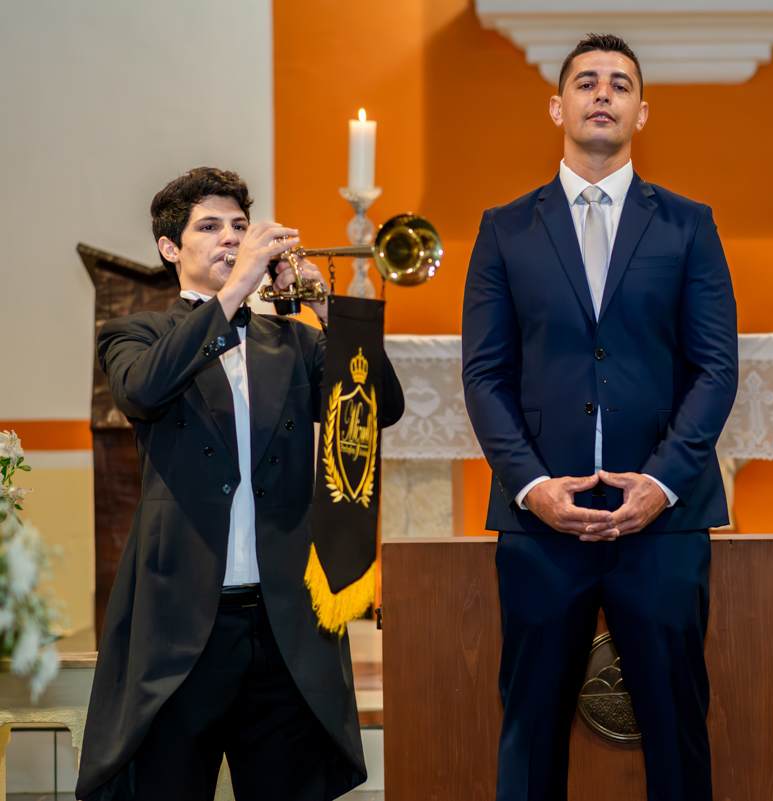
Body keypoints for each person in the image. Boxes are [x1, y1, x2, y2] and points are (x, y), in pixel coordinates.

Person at [461, 33, 738, 801]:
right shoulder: (504, 228)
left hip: (663, 523)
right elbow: (485, 374)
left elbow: (716, 368)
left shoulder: (688, 224)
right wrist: (532, 486)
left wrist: (661, 482)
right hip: (543, 525)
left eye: (620, 83)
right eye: (586, 81)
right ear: (557, 107)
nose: (603, 93)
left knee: (676, 732)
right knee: (530, 737)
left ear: (642, 112)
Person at [76, 167, 405, 800]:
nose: (230, 238)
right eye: (209, 227)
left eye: (239, 225)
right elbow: (143, 391)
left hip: (283, 625)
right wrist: (234, 294)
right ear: (170, 248)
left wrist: (325, 307)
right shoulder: (136, 334)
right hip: (180, 626)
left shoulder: (293, 342)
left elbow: (380, 405)